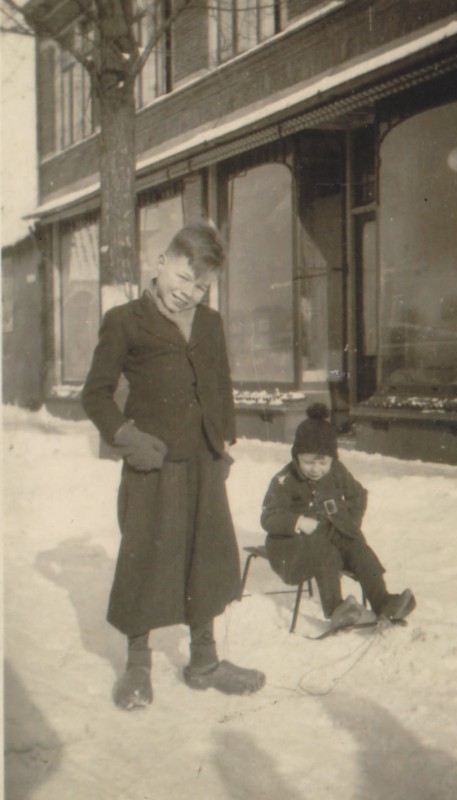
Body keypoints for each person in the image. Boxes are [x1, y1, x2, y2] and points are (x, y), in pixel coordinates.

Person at [82, 222, 265, 709]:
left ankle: (204, 661)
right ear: (161, 262)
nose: (189, 292)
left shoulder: (211, 323)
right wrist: (126, 438)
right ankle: (137, 664)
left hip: (203, 460)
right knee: (145, 556)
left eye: (201, 285)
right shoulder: (125, 320)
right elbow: (95, 395)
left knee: (205, 555)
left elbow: (219, 382)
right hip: (153, 463)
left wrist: (222, 441)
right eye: (183, 277)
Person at [261, 404, 416, 630]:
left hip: (334, 532)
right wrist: (297, 522)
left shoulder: (336, 471)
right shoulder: (285, 480)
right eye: (308, 462)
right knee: (326, 554)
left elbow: (358, 496)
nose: (316, 469)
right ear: (296, 457)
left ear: (332, 459)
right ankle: (336, 609)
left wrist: (350, 524)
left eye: (323, 462)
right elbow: (269, 516)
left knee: (359, 549)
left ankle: (383, 601)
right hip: (296, 545)